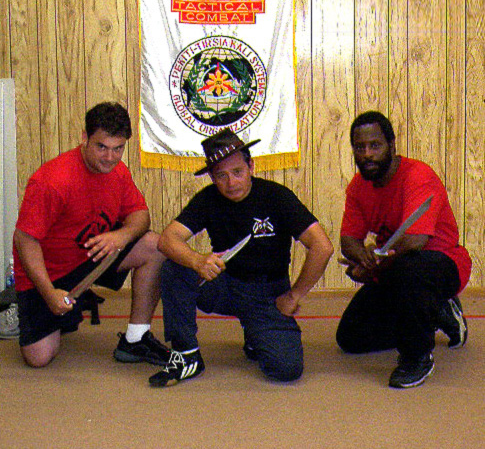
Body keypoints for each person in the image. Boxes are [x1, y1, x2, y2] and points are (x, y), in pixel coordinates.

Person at [149, 129, 334, 387]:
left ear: (251, 167)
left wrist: (295, 295)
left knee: (286, 369)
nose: (231, 182)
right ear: (212, 177)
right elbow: (167, 239)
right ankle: (186, 355)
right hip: (224, 285)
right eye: (221, 176)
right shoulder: (208, 199)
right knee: (174, 268)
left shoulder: (277, 197)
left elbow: (322, 246)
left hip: (268, 294)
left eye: (237, 172)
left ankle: (255, 334)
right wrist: (197, 260)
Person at [13, 102, 169, 368]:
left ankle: (135, 339)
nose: (110, 157)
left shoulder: (118, 172)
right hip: (48, 273)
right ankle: (44, 308)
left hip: (92, 257)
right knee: (39, 357)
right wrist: (49, 292)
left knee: (155, 245)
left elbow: (141, 216)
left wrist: (121, 236)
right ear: (84, 138)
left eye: (118, 148)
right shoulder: (52, 180)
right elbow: (24, 240)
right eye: (102, 147)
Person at [337, 111, 472, 388]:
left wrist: (372, 268)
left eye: (375, 145)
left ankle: (417, 357)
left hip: (441, 263)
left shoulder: (418, 175)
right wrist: (362, 257)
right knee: (350, 337)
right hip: (393, 268)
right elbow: (348, 241)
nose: (367, 154)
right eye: (360, 147)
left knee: (409, 267)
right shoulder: (358, 187)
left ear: (391, 145)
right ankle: (437, 313)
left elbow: (415, 242)